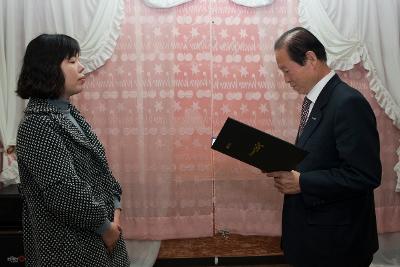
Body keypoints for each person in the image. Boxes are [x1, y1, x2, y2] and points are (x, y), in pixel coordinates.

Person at [266, 27, 382, 267]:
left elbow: (364, 175)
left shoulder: (347, 102)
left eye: (286, 70)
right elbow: (323, 155)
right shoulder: (316, 100)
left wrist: (301, 182)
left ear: (310, 59)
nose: (286, 79)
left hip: (337, 245)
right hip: (315, 238)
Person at [15, 34, 130, 267]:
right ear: (48, 68)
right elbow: (63, 191)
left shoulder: (69, 113)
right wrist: (105, 227)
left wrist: (115, 211)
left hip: (100, 235)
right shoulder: (37, 124)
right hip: (70, 246)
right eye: (72, 61)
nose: (82, 66)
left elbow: (101, 169)